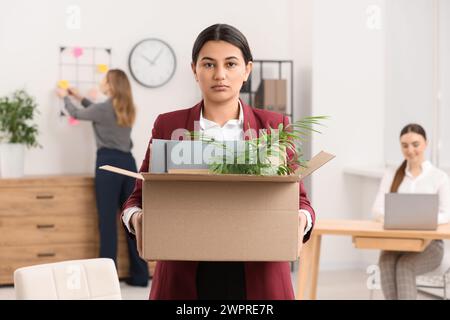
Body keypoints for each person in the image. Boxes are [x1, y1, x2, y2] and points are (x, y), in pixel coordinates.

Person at [121, 23, 316, 299]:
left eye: (231, 64)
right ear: (194, 70)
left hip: (257, 271)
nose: (220, 75)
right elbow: (138, 198)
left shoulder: (274, 126)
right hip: (185, 270)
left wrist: (300, 219)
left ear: (247, 70)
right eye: (209, 64)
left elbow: (301, 201)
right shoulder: (169, 125)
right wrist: (136, 217)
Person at [56, 69, 149, 286]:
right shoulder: (126, 107)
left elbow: (78, 114)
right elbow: (97, 110)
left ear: (112, 85)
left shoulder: (104, 108)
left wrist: (66, 98)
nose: (101, 82)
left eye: (105, 80)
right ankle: (141, 276)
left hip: (108, 164)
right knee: (132, 222)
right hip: (129, 165)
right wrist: (80, 96)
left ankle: (106, 280)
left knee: (107, 222)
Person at [372, 123, 450, 299]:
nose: (410, 150)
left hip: (431, 246)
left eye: (415, 144)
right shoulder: (391, 175)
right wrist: (401, 218)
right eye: (405, 145)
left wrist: (421, 219)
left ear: (426, 144)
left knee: (405, 266)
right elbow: (376, 209)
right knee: (385, 262)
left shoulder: (439, 177)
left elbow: (447, 214)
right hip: (396, 242)